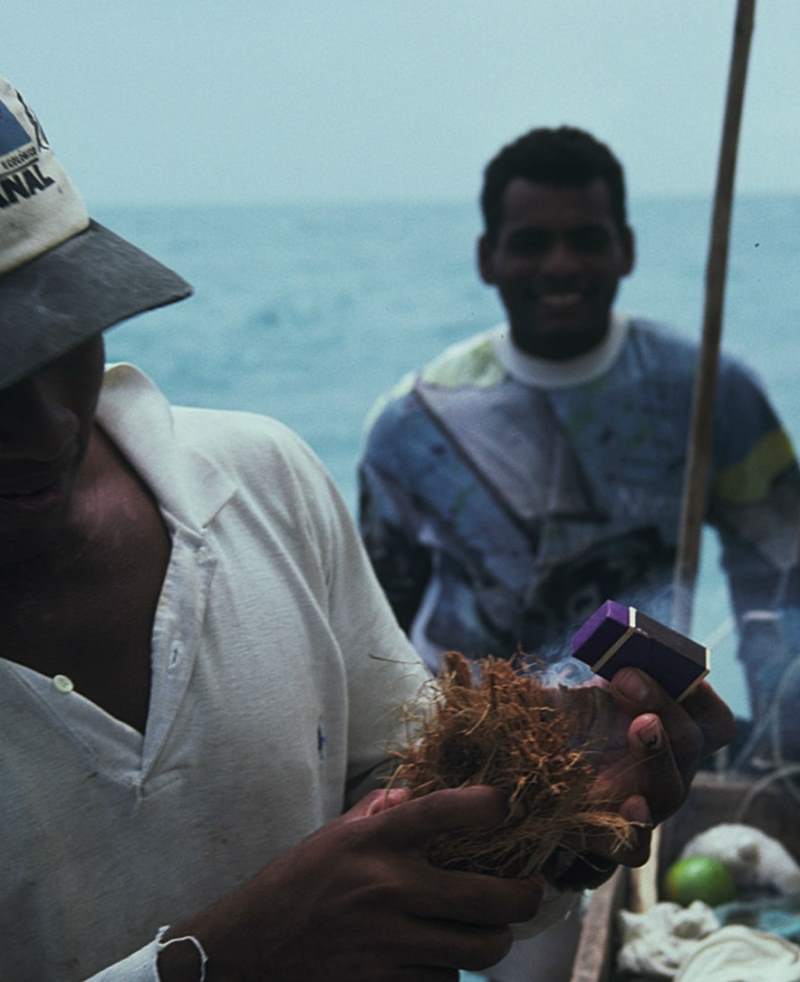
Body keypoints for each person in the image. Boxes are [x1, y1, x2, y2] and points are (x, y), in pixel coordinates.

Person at [0, 78, 734, 981]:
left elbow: (409, 814)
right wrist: (236, 952)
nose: (44, 425)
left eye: (59, 333)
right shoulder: (415, 423)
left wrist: (545, 808)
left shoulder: (263, 480)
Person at [358, 125, 800, 734]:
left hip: (643, 740)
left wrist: (781, 745)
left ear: (627, 250)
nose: (561, 265)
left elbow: (782, 584)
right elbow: (372, 631)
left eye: (586, 240)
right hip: (466, 746)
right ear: (487, 258)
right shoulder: (414, 423)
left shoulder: (708, 392)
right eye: (531, 243)